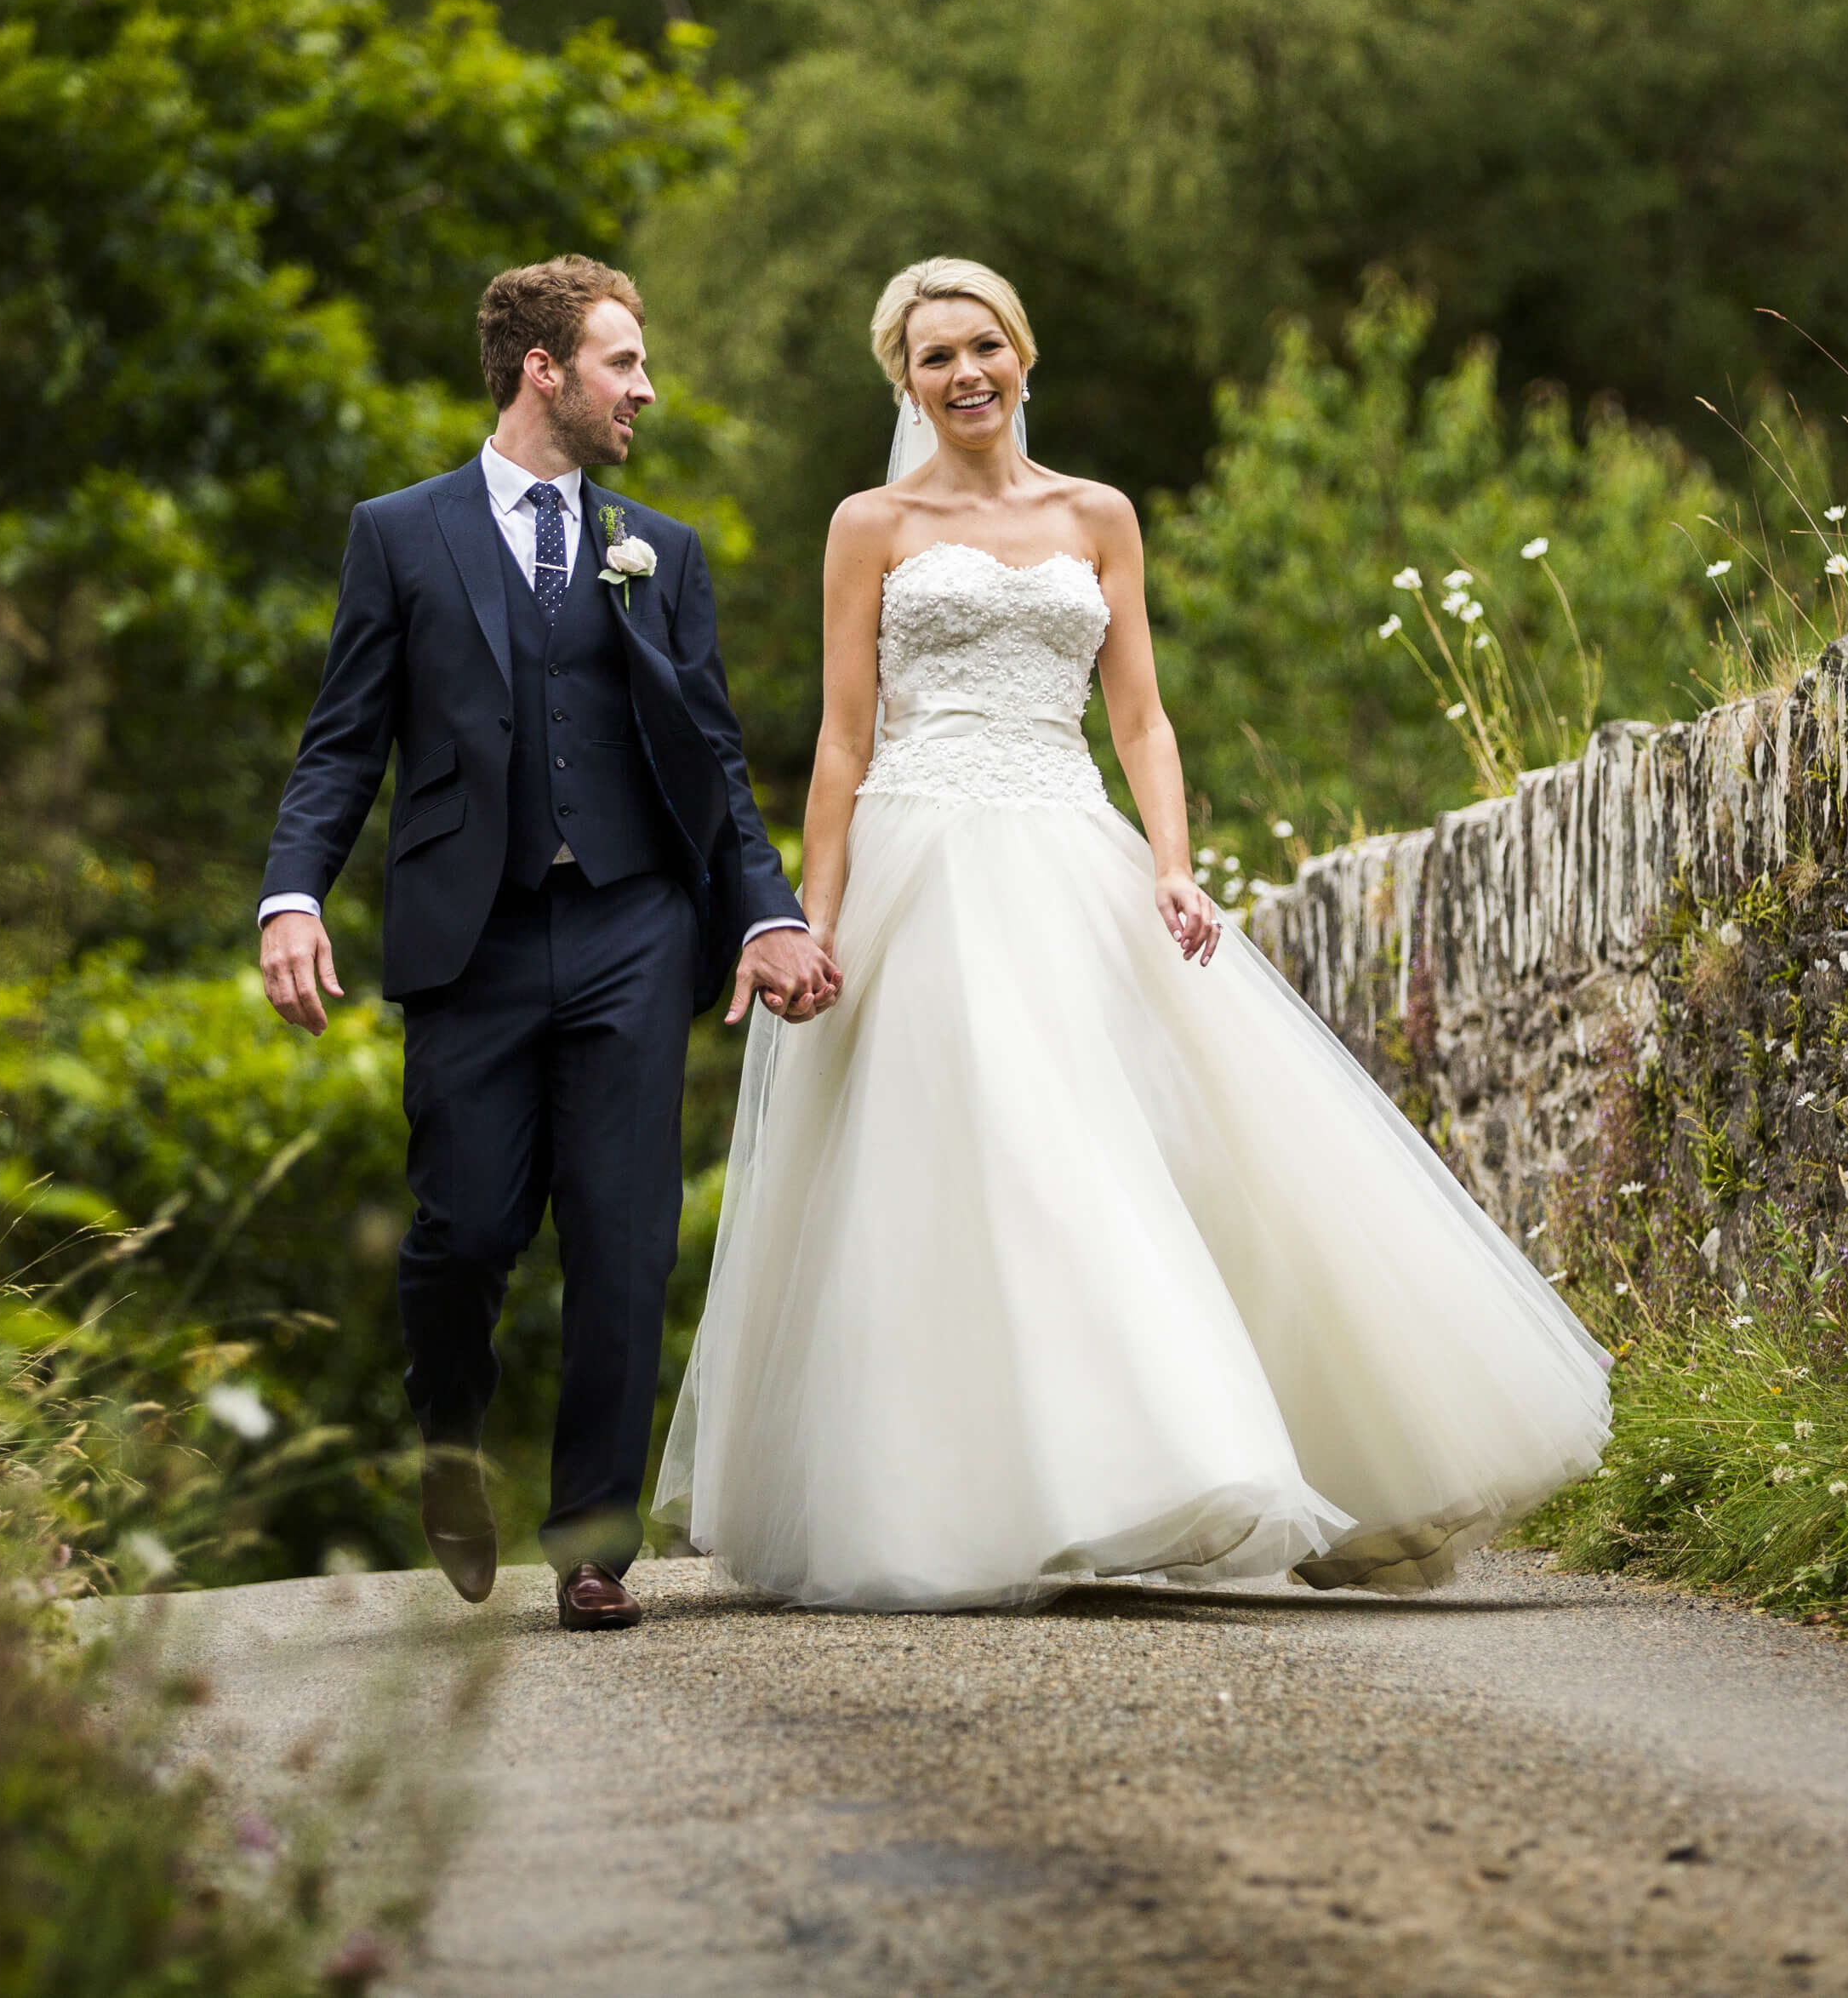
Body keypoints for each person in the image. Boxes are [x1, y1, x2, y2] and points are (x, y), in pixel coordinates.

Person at [653, 257, 1611, 1611]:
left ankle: (1188, 1460)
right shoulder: (868, 522)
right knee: (965, 1167)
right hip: (918, 850)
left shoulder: (1097, 514)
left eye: (984, 346)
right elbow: (844, 737)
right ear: (905, 383)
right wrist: (819, 913)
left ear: (1023, 356)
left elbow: (1143, 718)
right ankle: (981, 1489)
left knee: (1126, 1145)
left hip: (1067, 843)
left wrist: (1173, 865)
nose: (965, 373)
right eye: (936, 358)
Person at [257, 255, 839, 1628]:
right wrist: (294, 892)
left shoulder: (662, 552)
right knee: (462, 1234)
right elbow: (344, 744)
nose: (645, 388)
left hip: (636, 926)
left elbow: (712, 757)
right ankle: (449, 1435)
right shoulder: (400, 534)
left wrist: (765, 910)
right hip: (474, 938)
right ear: (544, 371)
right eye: (622, 362)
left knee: (627, 1242)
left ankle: (592, 1545)